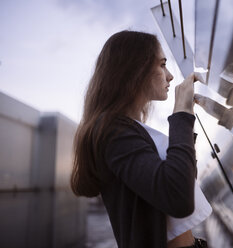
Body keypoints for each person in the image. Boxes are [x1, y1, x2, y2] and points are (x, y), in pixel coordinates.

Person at [70, 30, 211, 248]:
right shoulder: (114, 132)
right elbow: (178, 197)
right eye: (162, 64)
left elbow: (182, 177)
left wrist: (186, 119)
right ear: (136, 69)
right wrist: (181, 113)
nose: (170, 76)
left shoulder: (127, 129)